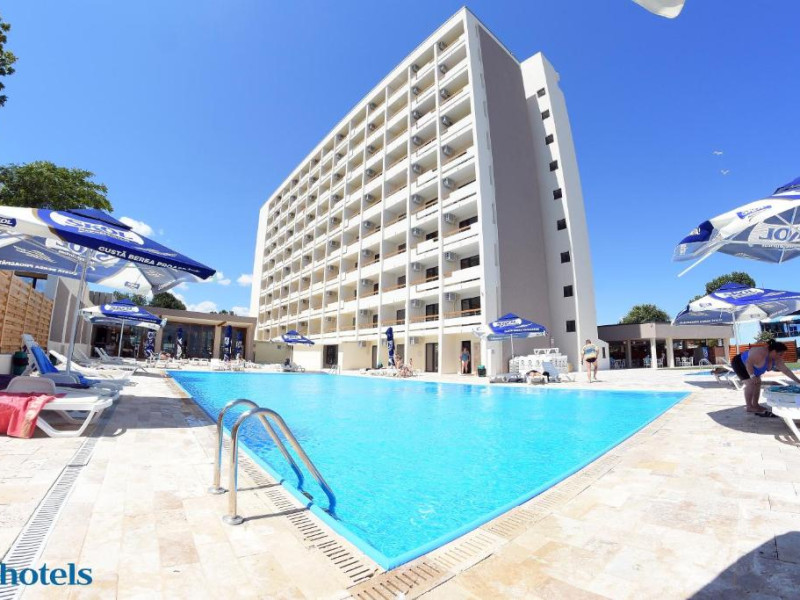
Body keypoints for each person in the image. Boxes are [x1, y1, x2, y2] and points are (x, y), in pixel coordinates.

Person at [731, 340, 800, 416]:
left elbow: (786, 371)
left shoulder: (777, 359)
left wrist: (798, 381)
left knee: (758, 383)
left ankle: (755, 405)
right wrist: (752, 376)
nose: (781, 356)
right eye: (780, 354)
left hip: (753, 367)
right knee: (750, 383)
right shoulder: (760, 353)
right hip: (740, 363)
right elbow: (748, 363)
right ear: (774, 351)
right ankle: (749, 407)